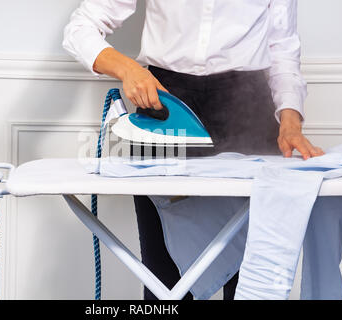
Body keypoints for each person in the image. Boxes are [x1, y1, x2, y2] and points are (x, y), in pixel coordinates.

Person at [63, 0, 324, 300]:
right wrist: (129, 70)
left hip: (247, 109)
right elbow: (80, 28)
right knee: (165, 279)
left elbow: (283, 48)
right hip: (166, 103)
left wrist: (290, 120)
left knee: (250, 279)